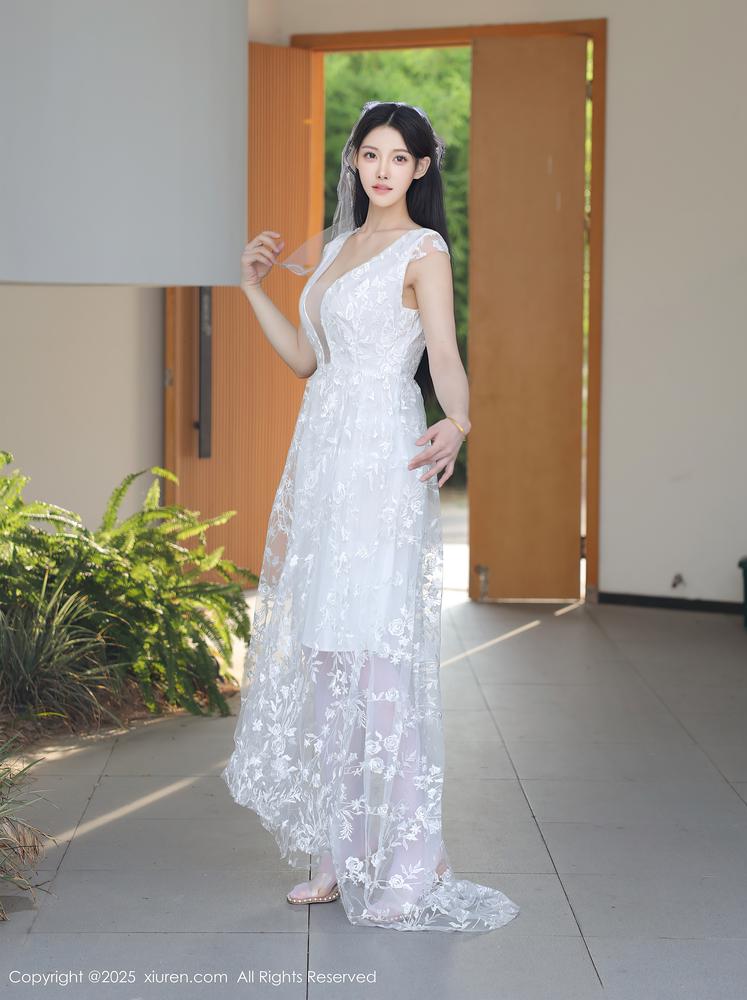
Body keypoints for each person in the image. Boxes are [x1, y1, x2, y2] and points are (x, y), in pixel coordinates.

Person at [221, 101, 520, 932]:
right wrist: (251, 288)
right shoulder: (335, 246)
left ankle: (413, 863)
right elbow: (307, 360)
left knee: (379, 661)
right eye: (370, 154)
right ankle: (339, 854)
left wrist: (458, 423)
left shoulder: (425, 252)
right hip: (322, 458)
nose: (382, 169)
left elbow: (444, 357)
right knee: (326, 655)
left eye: (398, 157)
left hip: (383, 462)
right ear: (354, 161)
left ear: (421, 168)